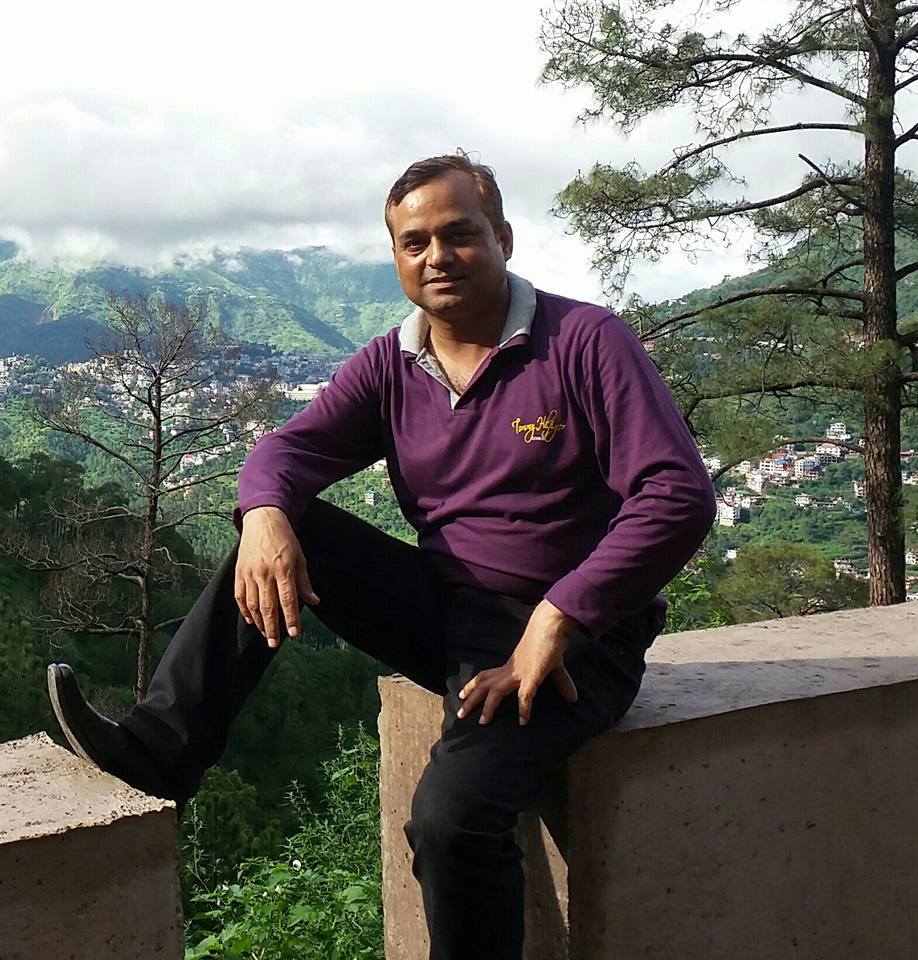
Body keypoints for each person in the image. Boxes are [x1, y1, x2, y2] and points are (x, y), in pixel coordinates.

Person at [48, 153, 716, 960]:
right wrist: (264, 515)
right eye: (414, 242)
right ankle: (161, 749)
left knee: (452, 819)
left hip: (579, 639)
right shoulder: (392, 364)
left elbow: (677, 496)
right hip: (451, 610)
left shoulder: (582, 341)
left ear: (503, 237)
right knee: (291, 527)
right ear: (396, 257)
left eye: (459, 234)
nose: (437, 256)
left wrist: (560, 615)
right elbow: (286, 452)